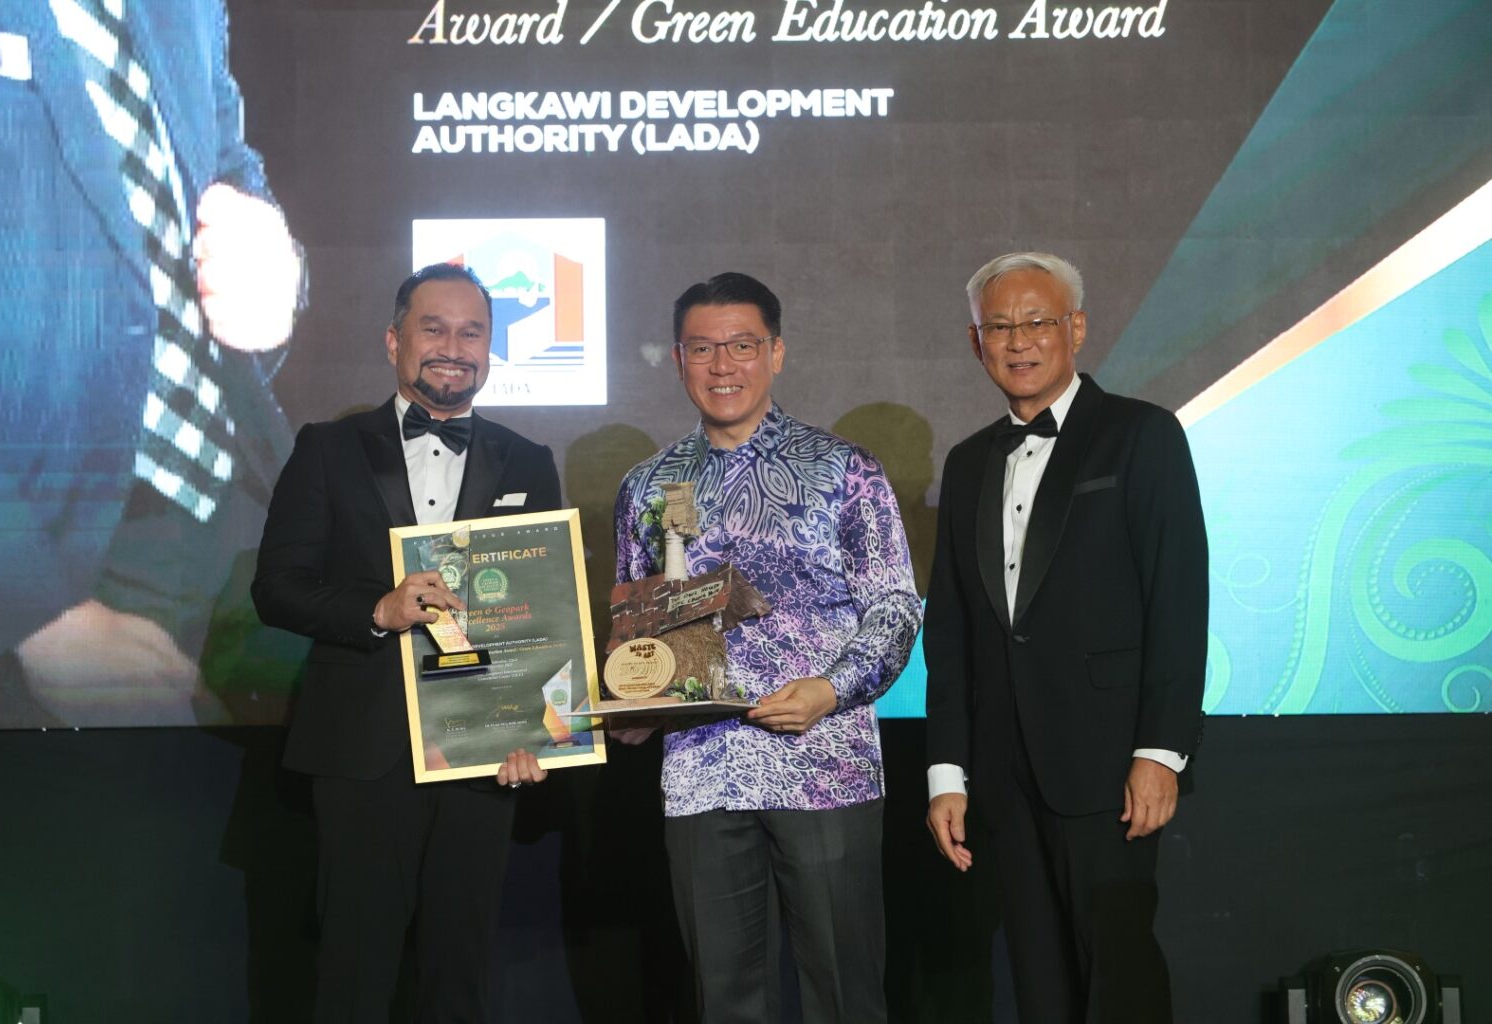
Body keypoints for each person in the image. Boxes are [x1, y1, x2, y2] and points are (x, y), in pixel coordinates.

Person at [0, 0, 303, 725]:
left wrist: (279, 272)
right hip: (39, 556)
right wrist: (26, 611)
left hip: (242, 522)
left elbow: (228, 168)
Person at [611, 272, 922, 1023]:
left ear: (776, 353)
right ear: (678, 359)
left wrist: (831, 688)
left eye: (743, 345)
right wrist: (628, 702)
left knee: (843, 992)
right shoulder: (645, 485)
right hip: (700, 771)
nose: (724, 365)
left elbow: (896, 608)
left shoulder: (846, 471)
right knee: (724, 999)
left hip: (824, 766)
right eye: (703, 348)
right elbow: (633, 622)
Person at [251, 263, 553, 1023]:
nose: (454, 346)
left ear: (490, 350)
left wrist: (531, 732)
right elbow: (277, 588)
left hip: (483, 749)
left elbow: (541, 613)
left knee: (460, 973)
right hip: (362, 747)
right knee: (353, 971)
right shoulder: (327, 447)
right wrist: (378, 610)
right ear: (394, 341)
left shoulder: (528, 460)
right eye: (434, 327)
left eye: (472, 332)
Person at [923, 252, 1208, 1023]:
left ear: (1076, 328)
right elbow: (948, 629)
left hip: (1109, 767)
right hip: (1002, 777)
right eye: (999, 327)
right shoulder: (968, 461)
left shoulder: (1141, 436)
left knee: (1118, 978)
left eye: (1037, 321)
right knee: (1037, 983)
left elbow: (1178, 602)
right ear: (975, 342)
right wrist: (947, 775)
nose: (1019, 341)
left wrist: (1160, 751)